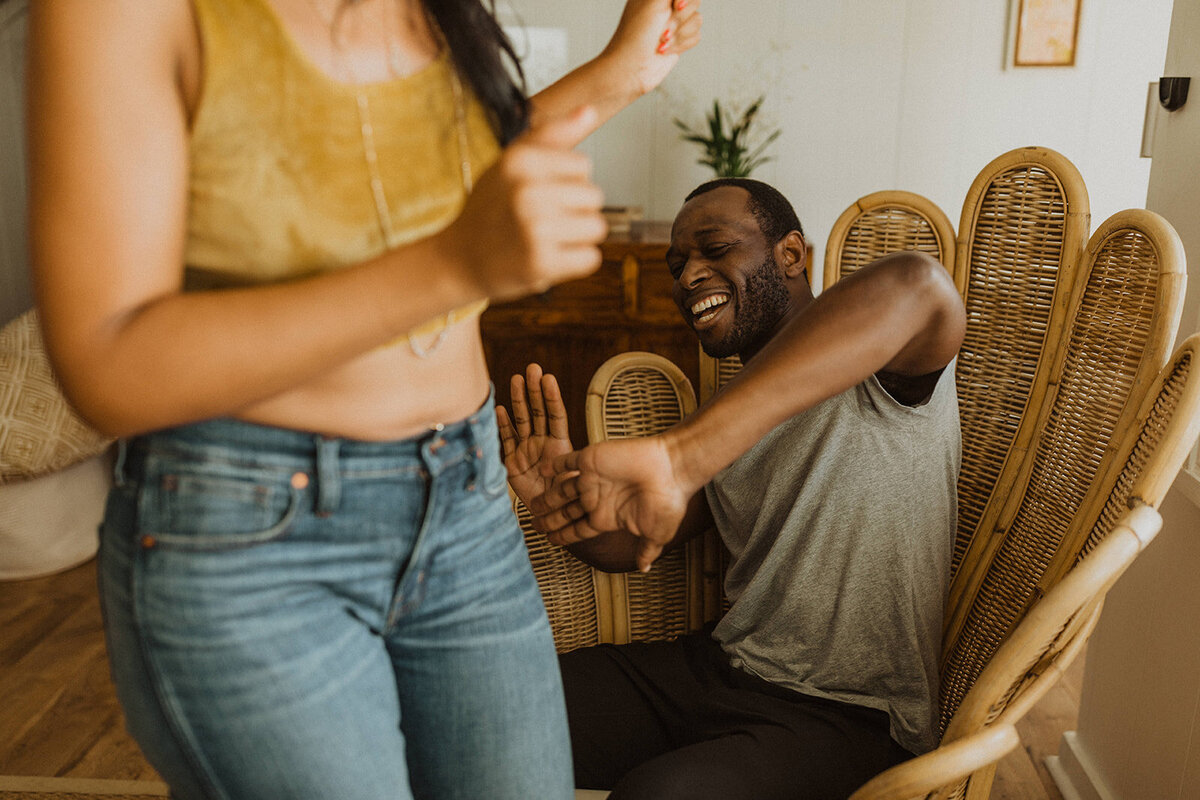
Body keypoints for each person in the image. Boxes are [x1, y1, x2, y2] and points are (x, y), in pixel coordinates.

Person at [26, 1, 701, 798]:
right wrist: (453, 267)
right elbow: (107, 363)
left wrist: (620, 73)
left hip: (467, 509)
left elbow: (425, 175)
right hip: (251, 539)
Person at [500, 178, 967, 799]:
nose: (689, 274)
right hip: (717, 671)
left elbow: (919, 285)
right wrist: (558, 504)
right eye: (677, 264)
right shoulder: (725, 419)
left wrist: (681, 454)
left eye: (714, 248)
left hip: (849, 714)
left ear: (792, 255)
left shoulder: (884, 379)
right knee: (488, 702)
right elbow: (629, 545)